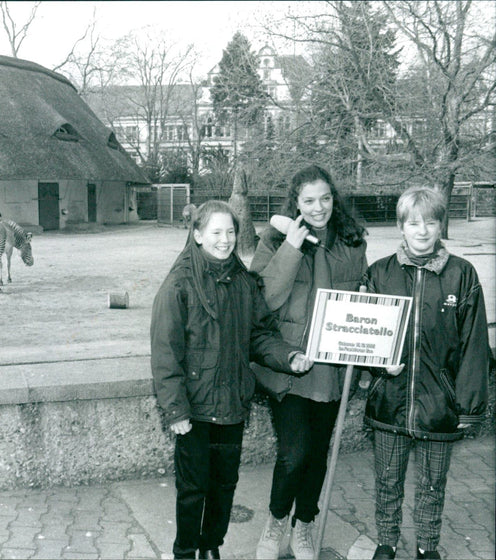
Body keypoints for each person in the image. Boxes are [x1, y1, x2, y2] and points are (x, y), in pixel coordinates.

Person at [150, 200, 314, 560]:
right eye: (215, 232)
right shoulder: (179, 284)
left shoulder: (243, 282)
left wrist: (288, 356)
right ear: (197, 235)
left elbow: (259, 335)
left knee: (224, 486)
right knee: (193, 488)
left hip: (232, 407)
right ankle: (186, 551)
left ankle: (211, 547)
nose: (224, 240)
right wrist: (175, 411)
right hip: (193, 410)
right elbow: (165, 354)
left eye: (230, 232)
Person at [363, 186, 490, 560]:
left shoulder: (462, 276)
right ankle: (385, 543)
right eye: (413, 223)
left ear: (440, 226)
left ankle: (427, 546)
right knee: (387, 480)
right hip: (390, 401)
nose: (422, 231)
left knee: (433, 484)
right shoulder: (380, 273)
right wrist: (377, 365)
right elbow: (364, 335)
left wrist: (467, 406)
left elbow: (474, 348)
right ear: (401, 226)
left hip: (440, 406)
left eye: (431, 222)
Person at [250, 165, 368, 560]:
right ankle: (276, 520)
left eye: (325, 198)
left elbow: (361, 300)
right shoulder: (274, 238)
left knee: (317, 452)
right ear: (295, 203)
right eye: (308, 200)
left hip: (331, 369)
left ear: (334, 198)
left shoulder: (351, 241)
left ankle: (305, 524)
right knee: (294, 451)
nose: (318, 208)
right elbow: (261, 300)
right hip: (288, 364)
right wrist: (291, 248)